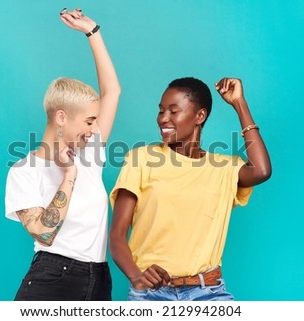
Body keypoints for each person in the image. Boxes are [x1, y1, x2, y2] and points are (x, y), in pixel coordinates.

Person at [109, 77, 271, 301]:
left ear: (200, 116)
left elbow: (262, 170)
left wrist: (239, 104)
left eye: (173, 112)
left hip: (208, 292)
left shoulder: (224, 168)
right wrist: (137, 277)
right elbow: (117, 235)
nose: (163, 119)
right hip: (152, 295)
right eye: (161, 111)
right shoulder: (141, 159)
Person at [5, 7, 120, 301]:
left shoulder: (89, 153)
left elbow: (112, 92)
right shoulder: (24, 170)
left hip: (99, 278)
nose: (95, 130)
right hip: (54, 279)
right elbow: (44, 234)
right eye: (89, 121)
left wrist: (93, 32)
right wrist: (69, 175)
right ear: (61, 117)